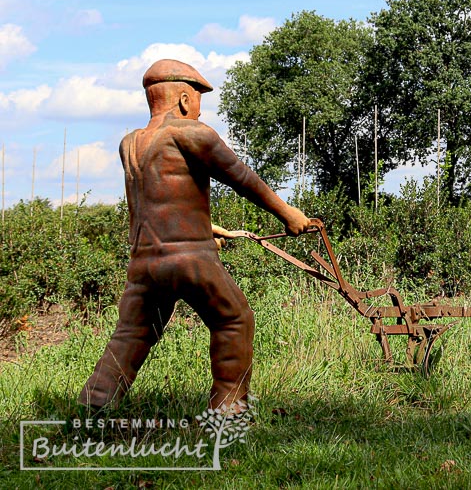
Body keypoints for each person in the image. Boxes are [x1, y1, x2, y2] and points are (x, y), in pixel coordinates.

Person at [79, 59, 311, 411]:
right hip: (190, 259)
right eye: (199, 99)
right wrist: (288, 213)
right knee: (234, 319)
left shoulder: (131, 144)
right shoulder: (192, 133)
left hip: (144, 262)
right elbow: (241, 176)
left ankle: (93, 408)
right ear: (185, 99)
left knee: (131, 334)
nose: (201, 110)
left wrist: (206, 227)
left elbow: (151, 203)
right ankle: (229, 409)